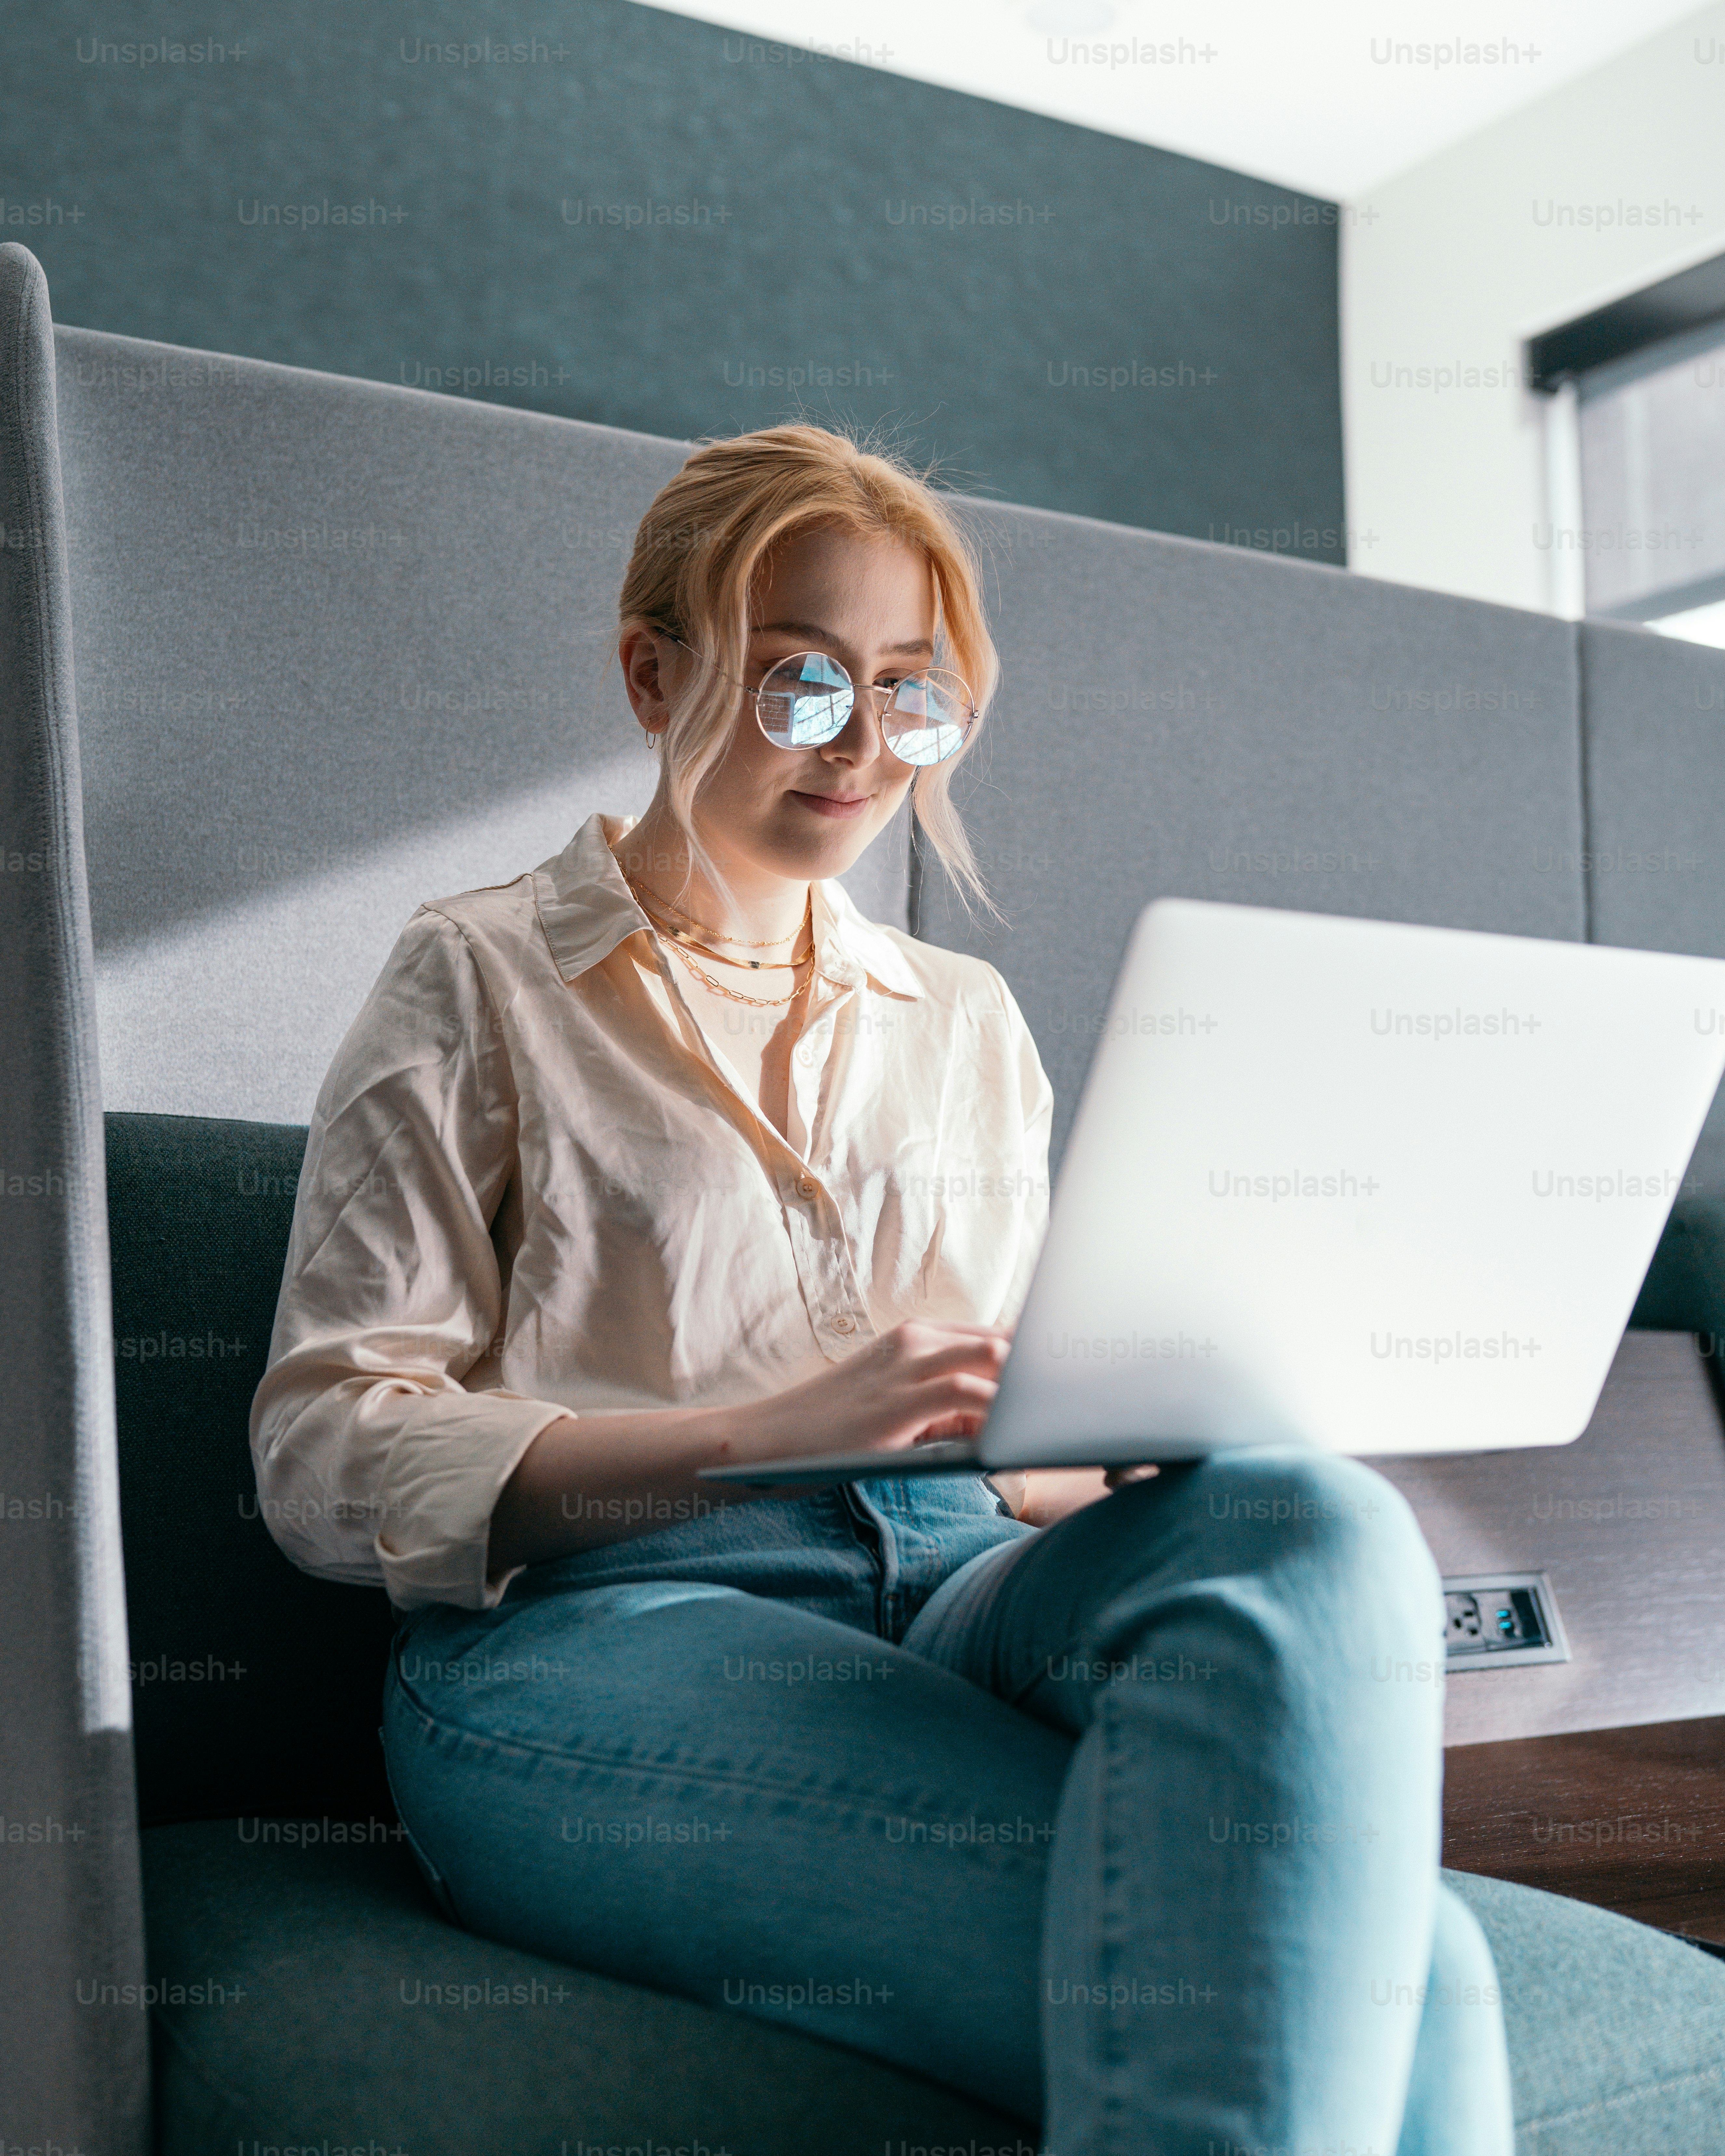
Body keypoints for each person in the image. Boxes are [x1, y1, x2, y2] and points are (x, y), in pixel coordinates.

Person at [250, 422, 1513, 2153]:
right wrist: (759, 1435)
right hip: (597, 1640)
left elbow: (1008, 1454)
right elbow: (328, 1451)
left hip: (954, 1583)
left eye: (911, 696)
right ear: (651, 672)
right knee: (1421, 1985)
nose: (863, 750)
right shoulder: (473, 975)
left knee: (1317, 1524)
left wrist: (1129, 1432)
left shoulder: (966, 1022)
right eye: (801, 685)